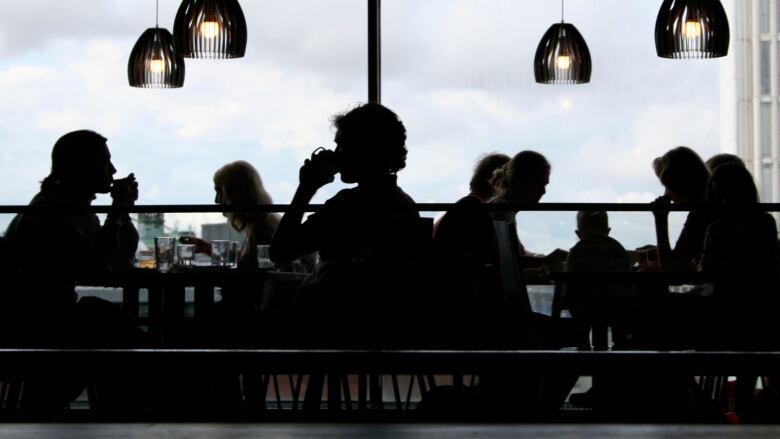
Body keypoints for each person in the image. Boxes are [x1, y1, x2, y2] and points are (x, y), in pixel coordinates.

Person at [2, 129, 144, 416]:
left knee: (108, 321)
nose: (113, 170)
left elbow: (113, 260)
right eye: (105, 162)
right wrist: (119, 209)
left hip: (33, 319)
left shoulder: (60, 208)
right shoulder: (57, 213)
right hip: (42, 323)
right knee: (114, 327)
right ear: (83, 166)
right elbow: (104, 263)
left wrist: (121, 211)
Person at [269, 103, 420, 313]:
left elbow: (280, 251)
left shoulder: (349, 206)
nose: (336, 154)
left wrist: (306, 187)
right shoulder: (404, 203)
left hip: (326, 324)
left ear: (364, 150)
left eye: (342, 145)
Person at [181, 160, 281, 268]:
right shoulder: (264, 223)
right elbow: (247, 261)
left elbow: (249, 274)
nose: (216, 200)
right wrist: (206, 248)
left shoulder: (261, 230)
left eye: (220, 191)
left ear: (235, 194)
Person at [650, 146, 711, 272]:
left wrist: (660, 220)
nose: (666, 194)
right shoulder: (711, 206)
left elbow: (671, 269)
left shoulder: (700, 216)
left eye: (667, 186)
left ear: (678, 186)